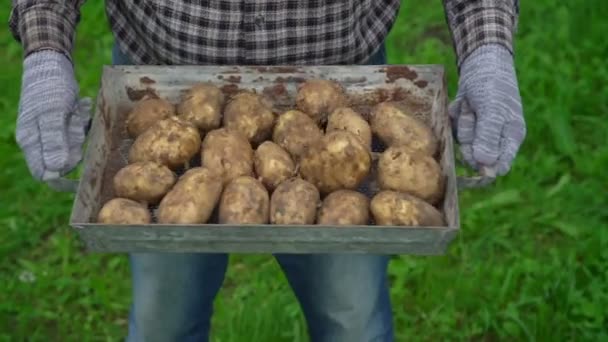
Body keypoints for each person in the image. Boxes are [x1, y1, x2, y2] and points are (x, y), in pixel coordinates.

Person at [9, 1, 526, 341]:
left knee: (352, 320)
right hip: (166, 83)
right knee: (163, 322)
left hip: (343, 74)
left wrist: (487, 49)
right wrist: (47, 52)